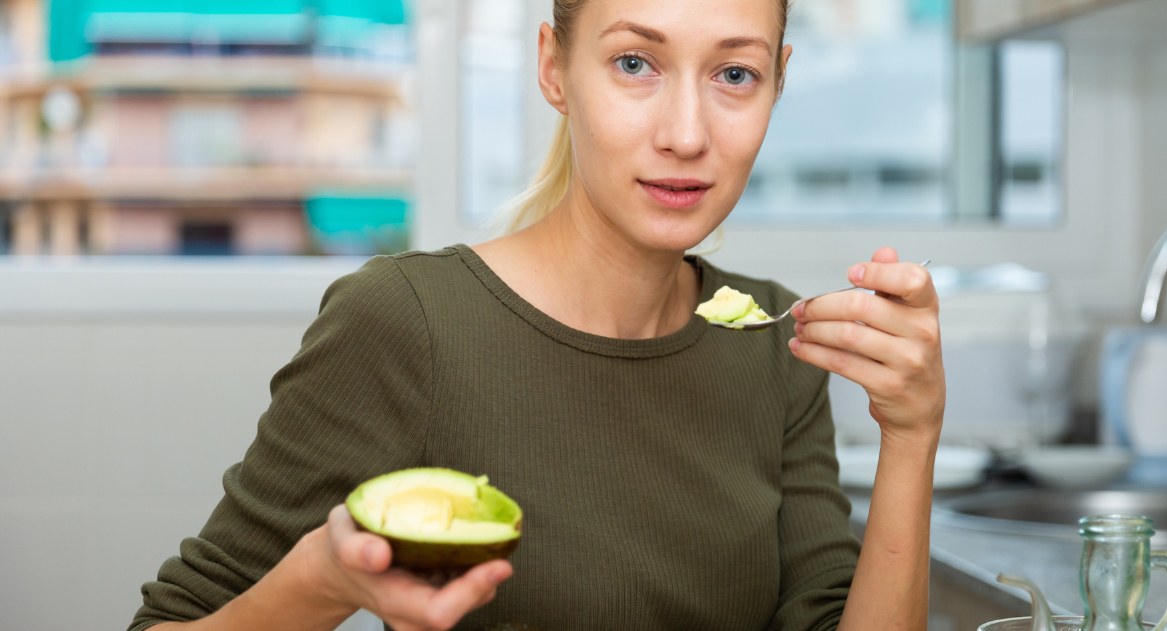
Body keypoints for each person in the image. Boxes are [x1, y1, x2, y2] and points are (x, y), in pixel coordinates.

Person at [130, 0, 945, 629]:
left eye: (735, 75)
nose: (687, 134)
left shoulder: (771, 338)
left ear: (778, 79)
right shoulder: (407, 323)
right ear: (554, 69)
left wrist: (911, 436)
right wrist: (320, 581)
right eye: (635, 63)